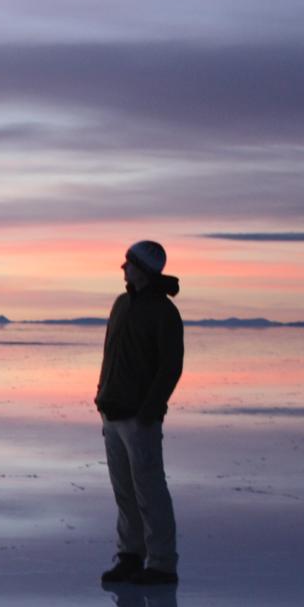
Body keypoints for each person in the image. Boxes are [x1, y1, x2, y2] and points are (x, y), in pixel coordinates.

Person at [95, 239, 182, 586]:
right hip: (112, 413)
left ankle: (161, 563)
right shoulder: (120, 304)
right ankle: (130, 556)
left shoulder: (163, 313)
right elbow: (110, 354)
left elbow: (170, 367)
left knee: (149, 491)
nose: (123, 268)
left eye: (129, 262)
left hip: (139, 419)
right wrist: (102, 393)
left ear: (143, 269)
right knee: (124, 492)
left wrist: (150, 410)